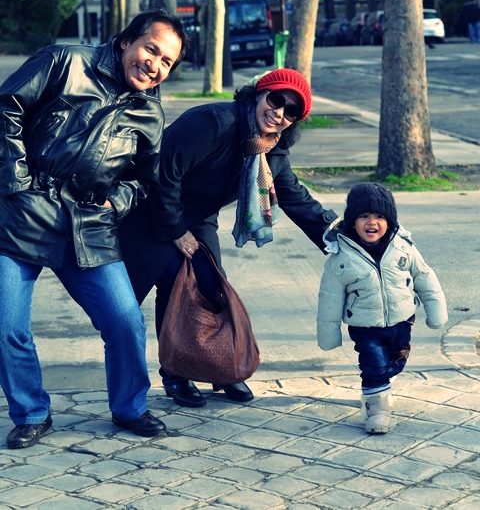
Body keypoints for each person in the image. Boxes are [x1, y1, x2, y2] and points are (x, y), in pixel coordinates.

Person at [0, 7, 187, 449]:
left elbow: (144, 180)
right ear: (125, 42)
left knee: (124, 319)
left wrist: (114, 202)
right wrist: (18, 183)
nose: (154, 65)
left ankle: (129, 407)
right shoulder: (64, 61)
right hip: (25, 212)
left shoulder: (150, 113)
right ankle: (31, 412)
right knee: (7, 323)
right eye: (150, 50)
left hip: (88, 224)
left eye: (166, 62)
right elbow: (5, 107)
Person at [120, 68, 338, 408]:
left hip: (197, 217)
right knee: (169, 286)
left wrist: (340, 237)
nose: (279, 113)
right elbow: (163, 173)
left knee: (211, 288)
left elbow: (296, 198)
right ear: (258, 94)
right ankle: (175, 374)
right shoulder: (212, 122)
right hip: (149, 210)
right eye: (276, 99)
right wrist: (176, 230)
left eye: (291, 111)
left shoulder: (271, 149)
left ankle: (218, 367)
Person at [317, 183, 448, 434]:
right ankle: (377, 410)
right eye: (363, 216)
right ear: (352, 222)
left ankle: (380, 388)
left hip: (402, 321)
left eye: (379, 216)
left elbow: (425, 277)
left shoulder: (403, 247)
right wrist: (329, 335)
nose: (372, 222)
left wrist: (436, 312)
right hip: (364, 326)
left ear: (389, 221)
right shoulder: (341, 258)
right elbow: (329, 298)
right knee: (373, 366)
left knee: (394, 363)